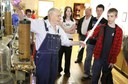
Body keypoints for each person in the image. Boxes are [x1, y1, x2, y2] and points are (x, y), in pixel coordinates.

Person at [15, 6, 84, 84]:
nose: (60, 18)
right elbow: (24, 19)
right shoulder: (40, 24)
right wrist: (18, 9)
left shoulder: (59, 29)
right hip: (43, 60)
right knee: (42, 80)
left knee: (52, 79)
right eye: (58, 16)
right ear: (51, 15)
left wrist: (79, 42)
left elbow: (66, 42)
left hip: (54, 60)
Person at [90, 8, 123, 84]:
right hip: (98, 57)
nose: (109, 18)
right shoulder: (101, 27)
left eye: (111, 16)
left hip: (109, 59)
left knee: (105, 78)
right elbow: (93, 35)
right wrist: (90, 34)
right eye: (108, 16)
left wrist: (113, 60)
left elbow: (118, 47)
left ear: (116, 17)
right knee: (95, 76)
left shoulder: (119, 31)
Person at [82, 4, 107, 80]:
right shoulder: (92, 19)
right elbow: (89, 29)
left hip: (99, 44)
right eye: (98, 10)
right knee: (88, 58)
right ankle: (86, 73)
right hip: (90, 43)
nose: (99, 12)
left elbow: (105, 33)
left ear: (103, 11)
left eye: (100, 11)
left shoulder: (105, 21)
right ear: (96, 11)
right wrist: (89, 32)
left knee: (96, 60)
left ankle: (93, 72)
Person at [58, 6, 76, 77]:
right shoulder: (61, 20)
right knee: (59, 56)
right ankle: (58, 70)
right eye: (67, 11)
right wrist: (69, 30)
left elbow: (73, 32)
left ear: (71, 12)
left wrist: (65, 30)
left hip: (69, 40)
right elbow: (61, 29)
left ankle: (67, 71)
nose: (69, 12)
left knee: (68, 57)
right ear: (65, 12)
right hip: (61, 40)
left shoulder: (73, 21)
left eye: (70, 11)